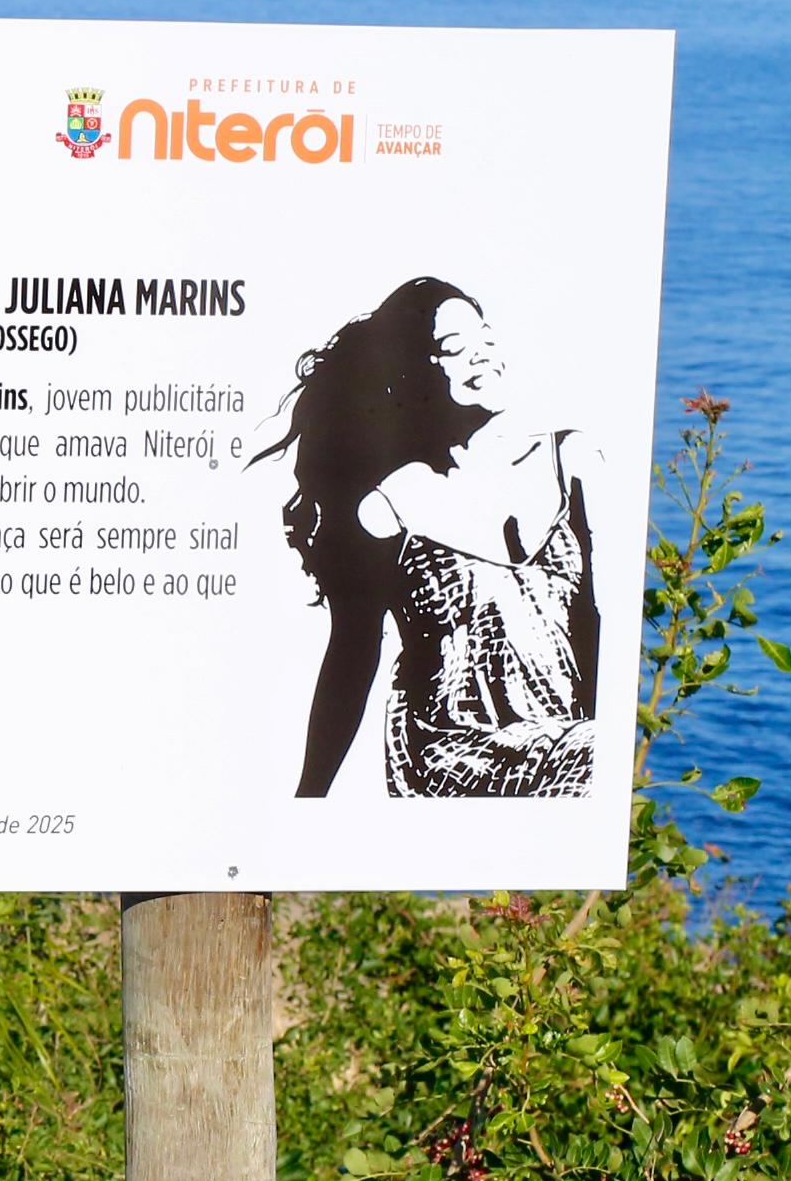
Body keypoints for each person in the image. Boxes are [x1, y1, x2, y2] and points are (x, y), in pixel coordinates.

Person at [255, 277, 599, 799]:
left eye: (486, 338)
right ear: (414, 374)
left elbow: (601, 620)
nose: (482, 356)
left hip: (568, 743)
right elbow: (352, 653)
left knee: (595, 755)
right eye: (456, 348)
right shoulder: (390, 506)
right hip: (453, 753)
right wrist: (308, 797)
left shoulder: (571, 460)